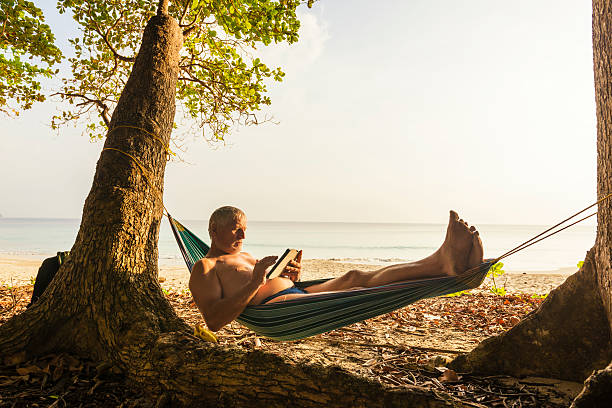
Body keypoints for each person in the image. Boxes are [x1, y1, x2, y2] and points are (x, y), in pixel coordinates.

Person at [189, 206, 484, 332]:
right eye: (235, 230)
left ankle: (442, 263)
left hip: (294, 291)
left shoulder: (245, 253)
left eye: (244, 230)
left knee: (354, 277)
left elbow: (266, 282)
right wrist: (255, 281)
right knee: (355, 291)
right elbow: (214, 320)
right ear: (213, 230)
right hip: (278, 308)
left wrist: (291, 275)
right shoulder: (204, 267)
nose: (242, 237)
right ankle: (443, 265)